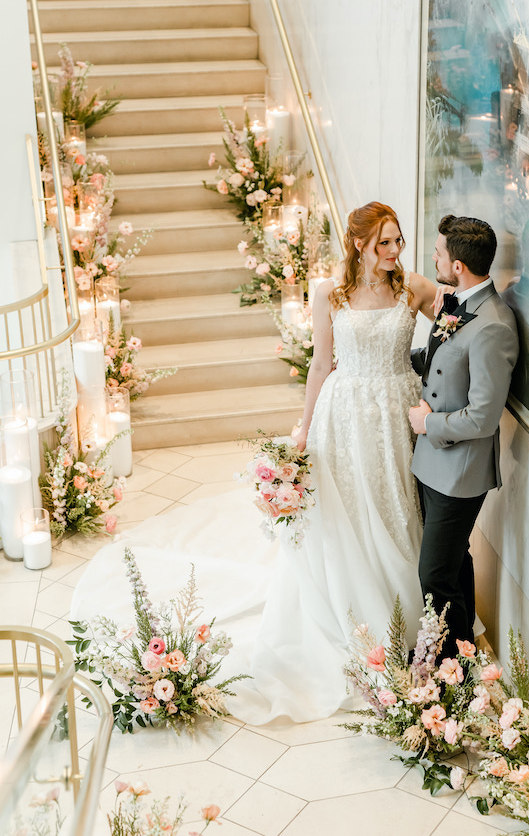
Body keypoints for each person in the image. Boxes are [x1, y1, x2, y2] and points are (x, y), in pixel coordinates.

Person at [70, 201, 439, 724]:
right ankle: (355, 619)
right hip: (343, 415)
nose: (395, 251)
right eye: (385, 242)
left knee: (397, 510)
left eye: (399, 240)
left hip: (395, 414)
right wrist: (304, 432)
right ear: (359, 244)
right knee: (348, 513)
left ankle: (406, 620)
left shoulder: (414, 289)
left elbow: (458, 325)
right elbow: (321, 364)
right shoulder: (327, 293)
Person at [409, 214, 519, 658]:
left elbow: (483, 418)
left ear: (458, 266)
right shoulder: (458, 303)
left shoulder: (493, 324)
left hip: (460, 473)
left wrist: (427, 424)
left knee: (434, 574)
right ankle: (464, 656)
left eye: (438, 253)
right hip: (432, 464)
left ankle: (446, 667)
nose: (432, 257)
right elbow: (436, 361)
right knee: (456, 564)